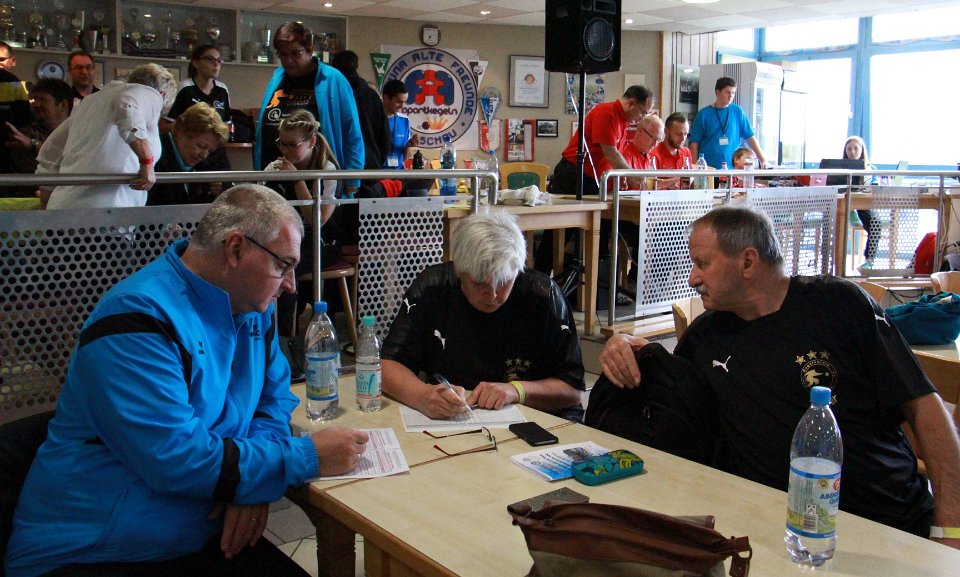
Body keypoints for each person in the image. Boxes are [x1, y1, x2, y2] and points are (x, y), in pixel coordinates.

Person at [4, 184, 370, 577]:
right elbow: (177, 458)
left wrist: (250, 482)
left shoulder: (252, 306)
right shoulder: (137, 318)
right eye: (283, 265)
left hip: (192, 532)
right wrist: (301, 458)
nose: (291, 285)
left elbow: (273, 398)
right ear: (235, 249)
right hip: (94, 550)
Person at [597, 206, 960, 543]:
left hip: (890, 522)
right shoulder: (705, 336)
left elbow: (924, 408)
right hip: (775, 528)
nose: (693, 278)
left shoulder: (839, 305)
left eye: (702, 264)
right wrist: (623, 344)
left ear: (748, 262)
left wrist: (951, 526)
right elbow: (669, 399)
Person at [382, 211, 585, 422]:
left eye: (504, 282)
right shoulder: (433, 287)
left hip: (534, 418)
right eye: (480, 284)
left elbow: (573, 389)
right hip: (456, 418)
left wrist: (516, 390)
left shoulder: (542, 295)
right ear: (459, 271)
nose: (493, 295)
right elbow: (388, 365)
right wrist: (422, 396)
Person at [37, 63, 176, 209]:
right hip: (105, 210)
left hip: (65, 206)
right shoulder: (150, 94)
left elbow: (50, 151)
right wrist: (147, 162)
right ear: (162, 96)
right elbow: (126, 103)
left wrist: (46, 203)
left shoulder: (91, 102)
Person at [255, 21, 363, 197]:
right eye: (283, 55)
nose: (288, 60)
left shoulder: (332, 79)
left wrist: (353, 176)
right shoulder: (277, 78)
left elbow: (351, 131)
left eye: (295, 53)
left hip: (317, 180)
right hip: (275, 176)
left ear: (310, 50)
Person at [262, 109, 342, 336]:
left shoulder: (328, 170)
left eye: (292, 145)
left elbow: (318, 221)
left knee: (286, 267)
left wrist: (297, 180)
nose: (285, 150)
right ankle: (264, 333)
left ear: (311, 142)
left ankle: (286, 338)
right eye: (281, 144)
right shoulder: (275, 168)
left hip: (322, 243)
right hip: (283, 241)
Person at [551, 85, 655, 196]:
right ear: (631, 103)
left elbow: (611, 158)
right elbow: (611, 153)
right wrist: (631, 175)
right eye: (643, 113)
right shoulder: (606, 112)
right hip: (574, 174)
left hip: (591, 177)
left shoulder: (623, 121)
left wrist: (621, 176)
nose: (642, 118)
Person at [147, 102, 230, 206]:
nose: (204, 156)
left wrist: (214, 195)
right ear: (182, 132)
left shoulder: (205, 167)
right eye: (201, 146)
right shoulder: (154, 157)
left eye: (209, 151)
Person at [2, 79, 72, 198]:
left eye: (43, 100)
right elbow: (38, 175)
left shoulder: (78, 132)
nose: (36, 104)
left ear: (63, 105)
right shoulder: (25, 135)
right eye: (35, 99)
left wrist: (34, 145)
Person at [689, 77, 766, 170]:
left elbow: (750, 137)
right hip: (709, 169)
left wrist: (762, 159)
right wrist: (694, 167)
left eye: (733, 93)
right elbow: (694, 143)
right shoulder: (703, 114)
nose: (731, 96)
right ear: (718, 92)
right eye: (727, 92)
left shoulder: (737, 111)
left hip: (732, 169)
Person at [330, 49, 387, 171]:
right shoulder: (371, 96)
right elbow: (384, 136)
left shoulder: (333, 95)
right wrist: (376, 159)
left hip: (339, 161)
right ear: (356, 66)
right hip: (370, 162)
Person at [844, 136, 879, 260]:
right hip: (843, 204)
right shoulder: (839, 168)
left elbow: (875, 186)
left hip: (862, 204)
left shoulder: (870, 169)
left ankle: (869, 260)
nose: (852, 152)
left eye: (856, 149)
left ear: (862, 150)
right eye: (849, 149)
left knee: (875, 224)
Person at [0, 41, 32, 175]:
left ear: (12, 61)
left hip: (6, 154)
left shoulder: (12, 82)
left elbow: (25, 119)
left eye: (1, 59)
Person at [380, 79, 419, 170]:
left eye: (404, 102)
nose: (402, 106)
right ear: (386, 98)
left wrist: (409, 146)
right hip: (377, 173)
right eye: (398, 102)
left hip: (398, 173)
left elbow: (405, 157)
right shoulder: (373, 120)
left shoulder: (404, 120)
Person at [649, 112, 693, 190]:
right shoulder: (653, 154)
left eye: (686, 134)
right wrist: (669, 183)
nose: (683, 139)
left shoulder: (686, 152)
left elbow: (691, 177)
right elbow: (648, 184)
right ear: (666, 131)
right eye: (679, 134)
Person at [620, 114, 664, 189]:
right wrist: (667, 183)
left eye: (658, 140)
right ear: (640, 131)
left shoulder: (649, 157)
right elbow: (633, 182)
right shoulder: (624, 152)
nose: (655, 144)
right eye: (653, 138)